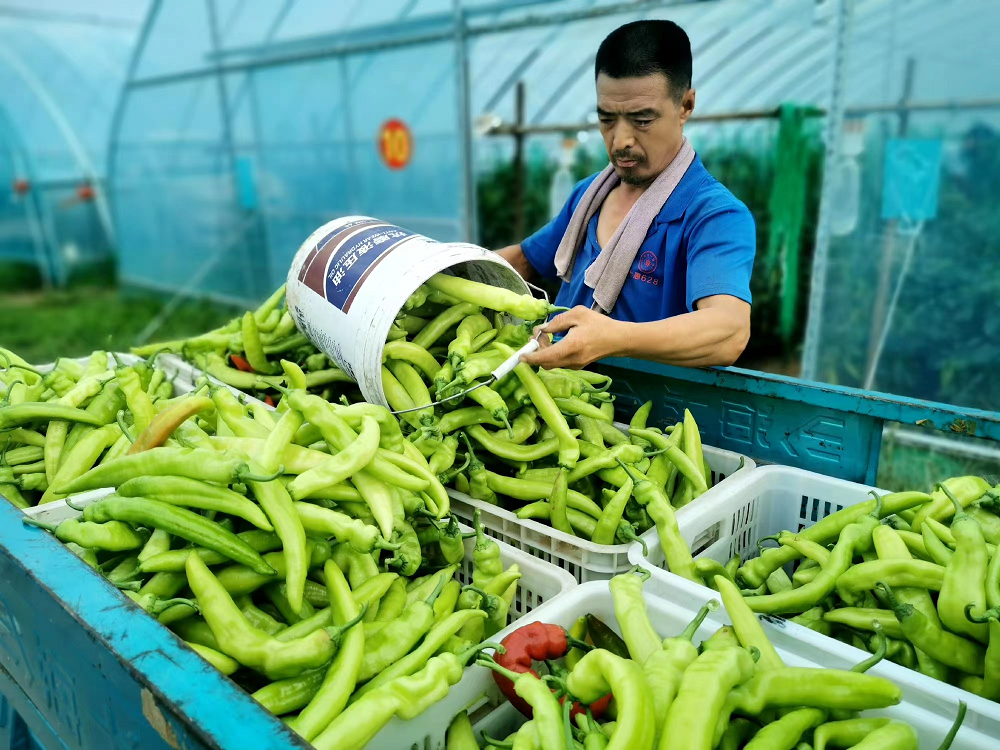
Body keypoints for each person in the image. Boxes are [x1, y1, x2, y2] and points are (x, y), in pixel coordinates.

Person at [498, 20, 755, 371]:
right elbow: (526, 260)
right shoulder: (589, 195)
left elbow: (728, 331)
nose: (620, 141)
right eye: (606, 119)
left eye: (642, 120)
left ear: (686, 106)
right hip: (561, 398)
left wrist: (613, 338)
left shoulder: (714, 215)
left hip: (652, 414)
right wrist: (433, 267)